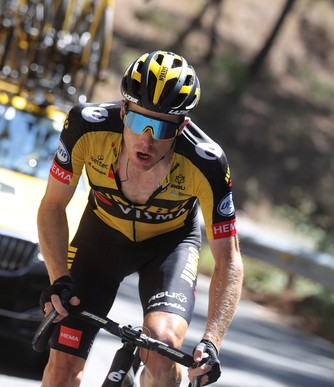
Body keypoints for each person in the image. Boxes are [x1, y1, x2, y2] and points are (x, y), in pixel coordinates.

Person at [37, 50, 244, 386]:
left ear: (182, 126)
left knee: (163, 347)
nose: (146, 139)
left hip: (169, 247)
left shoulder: (207, 162)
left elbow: (229, 259)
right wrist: (58, 278)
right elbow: (52, 207)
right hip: (100, 240)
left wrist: (211, 341)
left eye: (161, 127)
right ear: (123, 110)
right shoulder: (86, 126)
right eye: (137, 121)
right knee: (62, 367)